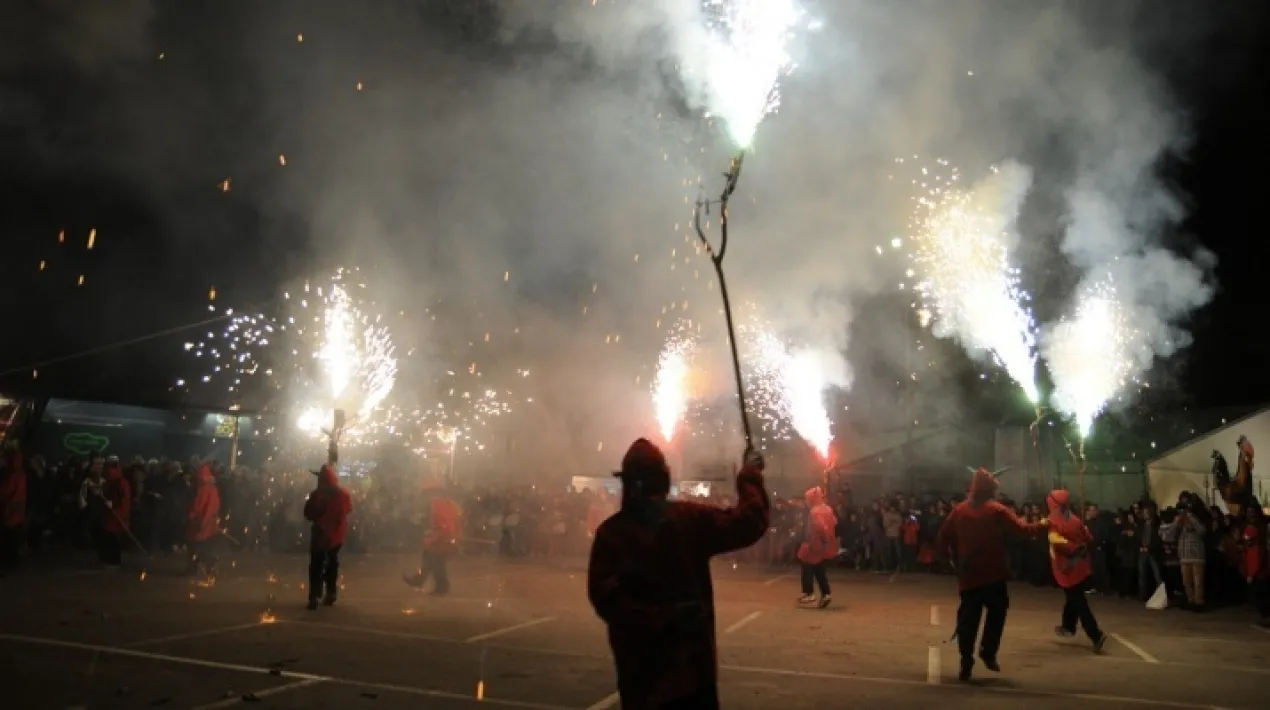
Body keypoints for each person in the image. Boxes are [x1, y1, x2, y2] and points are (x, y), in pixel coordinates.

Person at [587, 438, 769, 710]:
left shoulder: (611, 533)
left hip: (640, 678)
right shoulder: (689, 519)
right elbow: (749, 522)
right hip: (690, 674)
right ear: (663, 478)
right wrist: (750, 476)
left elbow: (606, 598)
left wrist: (650, 620)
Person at [936, 467, 1047, 682]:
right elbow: (1022, 529)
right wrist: (1043, 524)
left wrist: (948, 560)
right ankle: (988, 651)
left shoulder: (959, 511)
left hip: (968, 575)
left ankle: (966, 660)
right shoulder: (996, 510)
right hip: (993, 575)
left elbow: (943, 536)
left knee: (968, 619)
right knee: (997, 613)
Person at [1046, 489, 1109, 651]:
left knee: (1078, 601)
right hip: (1081, 565)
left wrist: (1074, 547)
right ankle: (1068, 626)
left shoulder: (1054, 521)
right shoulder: (1075, 519)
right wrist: (1082, 536)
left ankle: (1095, 634)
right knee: (1072, 596)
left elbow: (1057, 541)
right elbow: (1089, 539)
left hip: (1068, 568)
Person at [304, 451, 352, 610]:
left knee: (317, 565)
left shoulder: (317, 495)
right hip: (337, 535)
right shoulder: (343, 494)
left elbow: (309, 514)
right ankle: (330, 593)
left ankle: (315, 596)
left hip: (322, 535)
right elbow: (348, 510)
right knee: (332, 563)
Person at [404, 477, 461, 596]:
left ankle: (439, 587)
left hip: (441, 539)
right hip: (441, 538)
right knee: (431, 561)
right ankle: (420, 582)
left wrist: (434, 533)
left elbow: (443, 524)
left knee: (436, 563)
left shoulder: (437, 503)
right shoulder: (444, 503)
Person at [797, 486, 837, 608]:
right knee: (819, 568)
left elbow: (819, 526)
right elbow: (834, 522)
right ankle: (826, 593)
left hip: (815, 543)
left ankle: (809, 592)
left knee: (807, 565)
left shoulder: (815, 511)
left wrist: (815, 539)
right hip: (825, 543)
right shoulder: (828, 509)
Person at [187, 463, 221, 578]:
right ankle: (211, 568)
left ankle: (198, 568)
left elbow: (200, 506)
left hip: (203, 522)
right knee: (208, 546)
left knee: (199, 546)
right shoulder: (213, 488)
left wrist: (197, 519)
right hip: (210, 522)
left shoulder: (204, 489)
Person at [97, 456, 132, 566]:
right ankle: (112, 558)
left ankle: (112, 559)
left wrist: (113, 504)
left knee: (111, 536)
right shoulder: (121, 480)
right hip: (119, 511)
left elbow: (117, 495)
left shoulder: (114, 479)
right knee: (113, 536)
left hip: (115, 512)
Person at [1241, 505, 1270, 627]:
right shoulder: (1257, 528)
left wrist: (1251, 573)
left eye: (1252, 512)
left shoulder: (1255, 529)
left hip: (1261, 565)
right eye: (1248, 511)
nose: (1250, 514)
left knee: (1261, 593)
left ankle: (1266, 616)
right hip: (1260, 563)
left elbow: (1255, 553)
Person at [0, 443, 26, 573]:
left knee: (9, 539)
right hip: (18, 511)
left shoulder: (12, 475)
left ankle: (9, 564)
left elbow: (5, 492)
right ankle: (14, 563)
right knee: (14, 538)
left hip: (10, 511)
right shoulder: (21, 474)